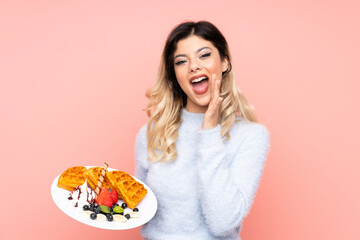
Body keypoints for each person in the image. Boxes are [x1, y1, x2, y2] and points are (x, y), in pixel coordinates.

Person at [135, 21, 270, 240]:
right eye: (181, 61)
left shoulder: (251, 136)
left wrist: (209, 131)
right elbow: (137, 209)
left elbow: (223, 223)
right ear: (174, 74)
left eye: (204, 55)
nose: (194, 66)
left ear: (224, 62)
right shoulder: (151, 134)